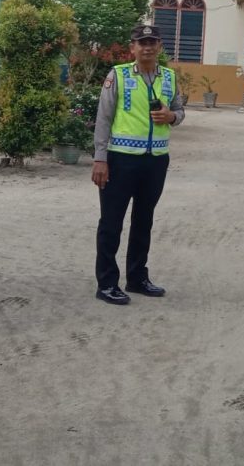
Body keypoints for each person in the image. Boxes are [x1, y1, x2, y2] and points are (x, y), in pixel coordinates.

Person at [90, 24, 185, 305]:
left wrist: (171, 117)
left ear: (159, 47)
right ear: (132, 47)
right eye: (141, 42)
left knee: (144, 220)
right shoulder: (117, 75)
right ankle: (107, 283)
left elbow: (180, 110)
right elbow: (103, 119)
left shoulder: (169, 77)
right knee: (111, 222)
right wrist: (100, 158)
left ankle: (137, 278)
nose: (147, 47)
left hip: (156, 160)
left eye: (152, 42)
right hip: (120, 160)